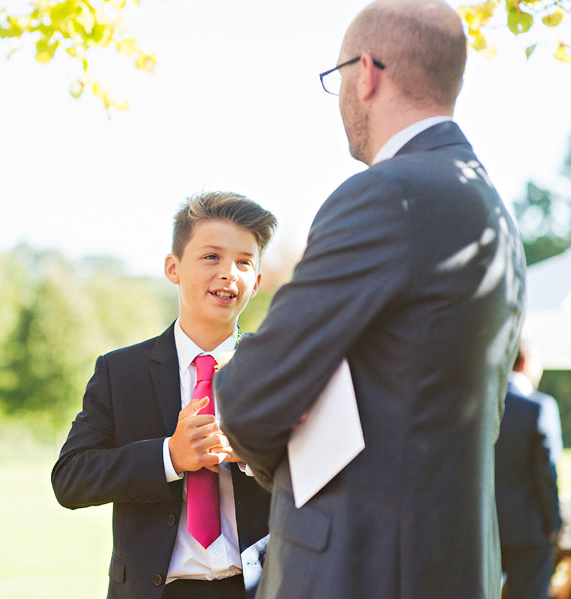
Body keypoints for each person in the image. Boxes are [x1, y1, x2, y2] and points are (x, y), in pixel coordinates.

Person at [213, 1, 527, 598]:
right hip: (452, 567)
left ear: (366, 73)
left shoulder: (386, 195)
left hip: (363, 567)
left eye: (335, 81)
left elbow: (250, 395)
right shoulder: (493, 213)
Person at [52, 191, 276, 599]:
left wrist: (254, 456)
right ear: (173, 268)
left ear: (257, 281)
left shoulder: (283, 367)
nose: (229, 273)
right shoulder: (121, 372)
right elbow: (70, 479)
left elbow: (332, 479)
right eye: (211, 257)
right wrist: (169, 457)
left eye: (244, 262)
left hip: (261, 589)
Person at [496, 340, 562, 599]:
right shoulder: (539, 407)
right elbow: (547, 473)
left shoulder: (480, 406)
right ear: (525, 363)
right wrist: (554, 522)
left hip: (483, 526)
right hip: (529, 529)